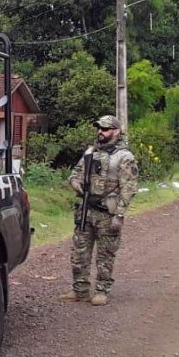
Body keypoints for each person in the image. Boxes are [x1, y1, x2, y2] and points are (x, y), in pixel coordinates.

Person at [60, 115, 137, 306]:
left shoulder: (124, 156)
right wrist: (76, 184)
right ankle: (80, 290)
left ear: (116, 131)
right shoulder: (90, 152)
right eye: (99, 129)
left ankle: (102, 290)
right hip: (86, 210)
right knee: (79, 253)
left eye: (105, 129)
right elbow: (74, 174)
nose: (100, 132)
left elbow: (128, 187)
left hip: (107, 213)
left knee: (105, 255)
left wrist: (119, 214)